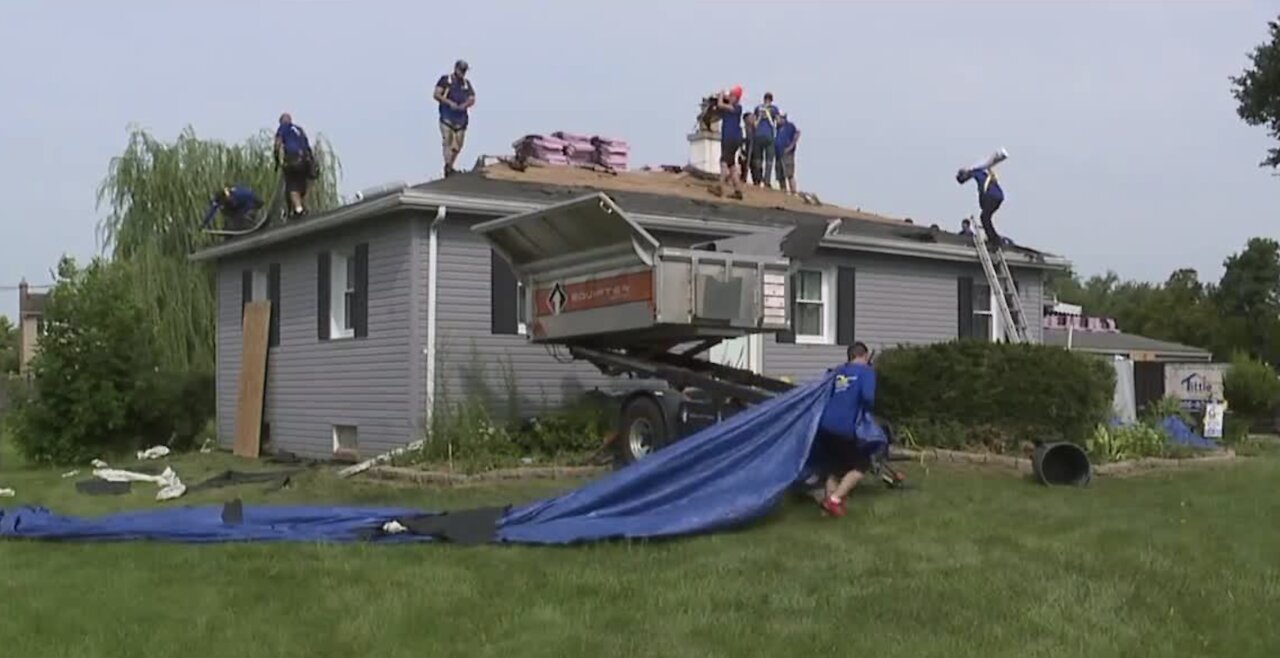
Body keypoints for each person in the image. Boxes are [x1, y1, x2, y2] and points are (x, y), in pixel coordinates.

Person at [811, 341, 879, 517]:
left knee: (834, 468)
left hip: (825, 425)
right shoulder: (866, 372)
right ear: (864, 356)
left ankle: (827, 510)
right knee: (861, 466)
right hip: (845, 427)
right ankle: (834, 500)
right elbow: (868, 398)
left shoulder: (838, 371)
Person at [955, 149, 1008, 248]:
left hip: (992, 196)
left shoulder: (976, 172)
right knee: (986, 217)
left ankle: (995, 241)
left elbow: (965, 177)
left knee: (984, 218)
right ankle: (994, 238)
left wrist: (964, 174)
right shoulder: (983, 173)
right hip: (998, 197)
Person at [434, 59, 476, 178]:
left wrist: (464, 105)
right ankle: (448, 165)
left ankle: (451, 164)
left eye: (464, 71)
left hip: (461, 119)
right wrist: (449, 102)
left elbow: (472, 98)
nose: (463, 73)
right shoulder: (446, 80)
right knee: (447, 140)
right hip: (447, 116)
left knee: (458, 144)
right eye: (461, 70)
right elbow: (436, 94)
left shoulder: (466, 84)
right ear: (456, 69)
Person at [274, 113, 315, 219]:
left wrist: (277, 160)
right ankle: (304, 206)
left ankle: (298, 209)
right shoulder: (299, 130)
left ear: (282, 121)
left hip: (294, 159)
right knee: (302, 185)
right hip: (307, 159)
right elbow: (307, 145)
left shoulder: (284, 127)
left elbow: (278, 143)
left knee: (292, 186)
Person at [712, 86, 746, 200]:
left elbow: (721, 104)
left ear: (736, 98)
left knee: (723, 161)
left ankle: (720, 187)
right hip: (731, 138)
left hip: (730, 138)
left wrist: (721, 95)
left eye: (732, 96)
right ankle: (738, 190)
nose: (730, 97)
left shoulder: (737, 107)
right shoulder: (731, 108)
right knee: (731, 165)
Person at [750, 92, 781, 187]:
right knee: (769, 159)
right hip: (769, 136)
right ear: (771, 100)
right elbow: (779, 121)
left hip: (758, 135)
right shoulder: (774, 109)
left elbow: (754, 124)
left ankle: (758, 180)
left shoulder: (758, 108)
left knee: (758, 159)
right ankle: (767, 181)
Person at [773, 113, 800, 193]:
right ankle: (783, 192)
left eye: (778, 119)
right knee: (780, 175)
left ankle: (793, 192)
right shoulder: (777, 128)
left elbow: (797, 133)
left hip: (787, 153)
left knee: (789, 174)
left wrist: (791, 146)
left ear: (783, 119)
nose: (776, 121)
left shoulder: (790, 126)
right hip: (778, 153)